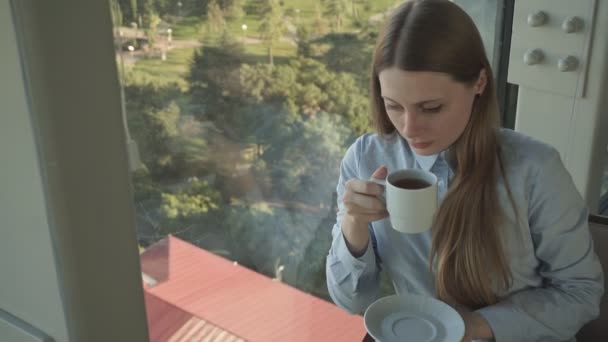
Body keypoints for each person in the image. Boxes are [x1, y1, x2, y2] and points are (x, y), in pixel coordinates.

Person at [325, 0, 604, 341]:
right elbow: (351, 300)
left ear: (479, 83)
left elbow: (581, 293)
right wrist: (353, 225)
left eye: (432, 107)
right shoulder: (366, 160)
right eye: (394, 106)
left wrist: (478, 326)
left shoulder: (535, 171)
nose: (410, 128)